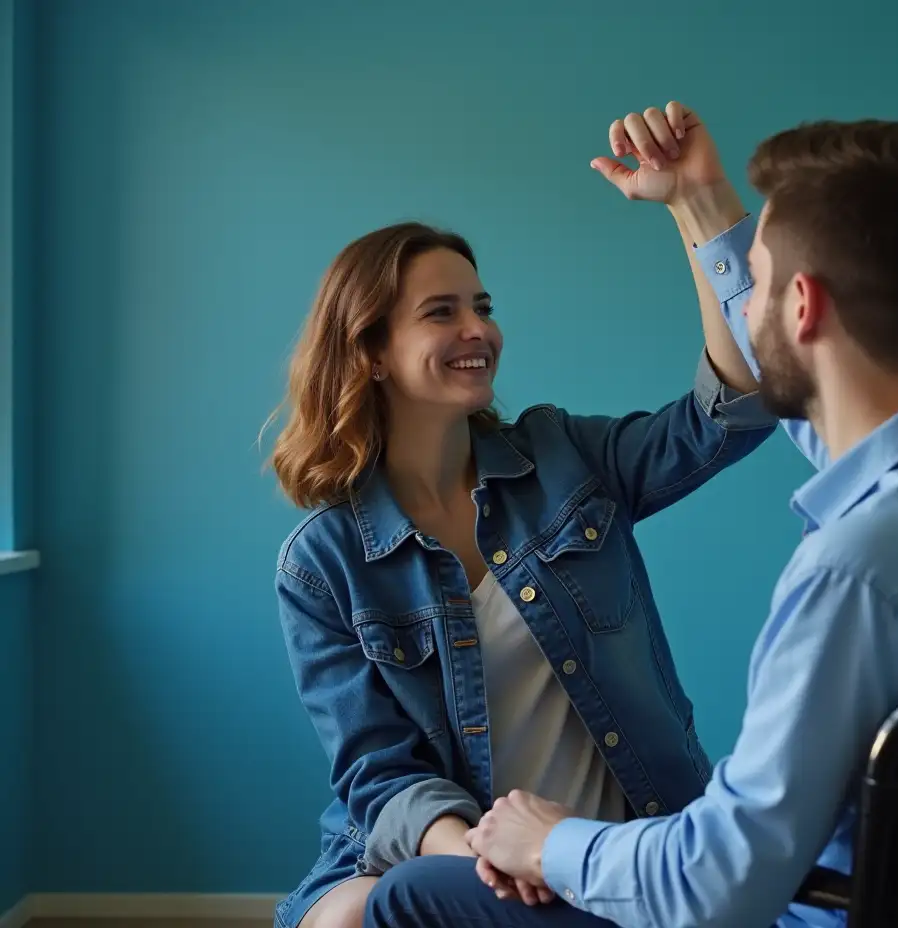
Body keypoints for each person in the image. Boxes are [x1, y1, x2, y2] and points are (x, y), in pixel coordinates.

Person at [363, 108, 898, 927]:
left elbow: (715, 887)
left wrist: (553, 841)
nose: (742, 312)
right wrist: (700, 200)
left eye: (761, 284)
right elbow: (810, 398)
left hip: (803, 911)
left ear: (804, 307)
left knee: (408, 900)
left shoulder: (855, 576)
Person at [266, 102, 779, 928]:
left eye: (483, 305)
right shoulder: (321, 564)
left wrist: (699, 200)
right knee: (354, 914)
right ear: (369, 351)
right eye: (443, 312)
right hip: (450, 854)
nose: (481, 330)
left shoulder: (565, 457)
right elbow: (378, 777)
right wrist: (492, 855)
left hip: (617, 842)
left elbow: (741, 406)